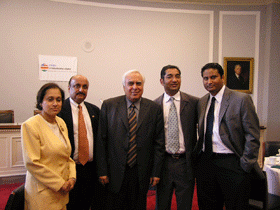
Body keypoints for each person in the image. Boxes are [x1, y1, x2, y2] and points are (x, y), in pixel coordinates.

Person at [193, 63, 264, 210]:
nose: (209, 82)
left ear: (223, 77)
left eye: (213, 77)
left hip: (232, 162)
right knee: (207, 205)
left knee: (236, 205)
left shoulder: (240, 99)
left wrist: (246, 164)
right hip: (206, 163)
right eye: (205, 78)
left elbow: (252, 134)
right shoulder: (202, 101)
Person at [96, 69, 165, 210]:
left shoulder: (154, 108)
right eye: (130, 83)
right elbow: (101, 141)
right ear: (124, 87)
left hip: (141, 171)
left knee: (138, 205)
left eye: (138, 83)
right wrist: (102, 171)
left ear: (143, 86)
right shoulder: (109, 106)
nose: (135, 87)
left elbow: (158, 144)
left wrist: (156, 172)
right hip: (114, 172)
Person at [21, 83, 76, 210]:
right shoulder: (30, 125)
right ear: (41, 102)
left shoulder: (60, 122)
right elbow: (32, 163)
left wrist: (72, 178)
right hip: (43, 192)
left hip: (62, 192)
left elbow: (67, 156)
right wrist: (60, 183)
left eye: (58, 99)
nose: (55, 103)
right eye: (50, 99)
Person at [154, 65, 198, 210]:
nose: (174, 80)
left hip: (185, 163)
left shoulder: (194, 103)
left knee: (185, 205)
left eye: (177, 76)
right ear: (161, 81)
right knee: (162, 204)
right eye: (170, 76)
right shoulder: (154, 106)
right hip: (163, 163)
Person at [58, 75, 105, 210]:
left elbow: (100, 141)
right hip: (69, 169)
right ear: (69, 88)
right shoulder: (60, 110)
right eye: (76, 86)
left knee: (87, 203)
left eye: (85, 87)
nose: (81, 90)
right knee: (70, 204)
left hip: (90, 169)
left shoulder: (94, 110)